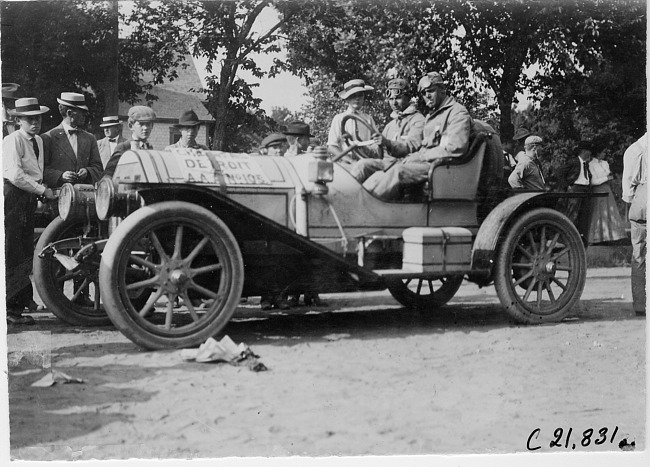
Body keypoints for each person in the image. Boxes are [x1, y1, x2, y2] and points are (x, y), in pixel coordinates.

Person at [363, 71, 471, 200]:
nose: (427, 96)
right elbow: (425, 146)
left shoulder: (457, 112)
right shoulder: (433, 115)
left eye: (431, 91)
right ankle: (359, 200)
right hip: (432, 164)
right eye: (424, 93)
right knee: (380, 174)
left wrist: (420, 156)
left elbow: (456, 148)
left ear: (442, 89)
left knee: (397, 172)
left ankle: (366, 207)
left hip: (443, 168)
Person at [3, 98, 56, 325]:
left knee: (25, 249)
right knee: (14, 252)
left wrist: (40, 191)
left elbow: (36, 171)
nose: (35, 123)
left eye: (38, 118)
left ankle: (21, 302)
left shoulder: (38, 142)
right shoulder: (12, 140)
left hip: (28, 197)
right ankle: (11, 310)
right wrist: (42, 189)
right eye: (29, 119)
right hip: (13, 196)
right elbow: (14, 175)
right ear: (18, 120)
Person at [350, 78, 425, 183]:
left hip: (403, 166)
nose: (394, 103)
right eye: (390, 99)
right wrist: (358, 146)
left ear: (408, 97)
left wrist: (388, 143)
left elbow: (412, 146)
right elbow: (377, 152)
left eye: (398, 98)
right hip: (387, 165)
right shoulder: (391, 125)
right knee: (353, 166)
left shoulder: (418, 120)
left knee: (363, 166)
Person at [41, 92, 103, 188]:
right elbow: (41, 170)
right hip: (57, 196)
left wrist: (88, 172)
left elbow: (98, 169)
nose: (85, 115)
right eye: (82, 112)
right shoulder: (48, 138)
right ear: (69, 113)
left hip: (84, 196)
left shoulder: (90, 138)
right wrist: (60, 176)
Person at [327, 78, 381, 163]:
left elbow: (376, 141)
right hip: (346, 160)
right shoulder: (339, 119)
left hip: (366, 160)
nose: (357, 99)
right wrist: (350, 161)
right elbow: (332, 146)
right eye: (353, 96)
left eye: (360, 95)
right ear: (347, 99)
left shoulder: (368, 119)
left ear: (363, 97)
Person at [622, 133, 647, 317]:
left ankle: (640, 304)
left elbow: (628, 189)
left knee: (638, 254)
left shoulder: (634, 150)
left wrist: (635, 199)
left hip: (642, 199)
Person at [103, 105, 156, 178]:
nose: (145, 128)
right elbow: (108, 175)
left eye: (148, 124)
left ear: (152, 126)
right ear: (131, 126)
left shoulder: (149, 148)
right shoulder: (123, 147)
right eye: (141, 124)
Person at [556, 140, 594, 239]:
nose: (590, 153)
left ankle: (580, 239)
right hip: (576, 189)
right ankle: (565, 238)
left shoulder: (586, 164)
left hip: (585, 191)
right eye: (589, 151)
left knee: (584, 216)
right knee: (572, 214)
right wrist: (566, 186)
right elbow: (559, 172)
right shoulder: (574, 162)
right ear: (583, 151)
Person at [586, 149, 626, 244]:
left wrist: (607, 178)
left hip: (606, 189)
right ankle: (596, 238)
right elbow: (593, 181)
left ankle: (610, 237)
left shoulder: (605, 163)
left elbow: (608, 174)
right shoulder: (591, 164)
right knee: (598, 212)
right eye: (603, 152)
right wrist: (606, 178)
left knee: (609, 212)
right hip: (597, 190)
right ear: (598, 153)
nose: (604, 154)